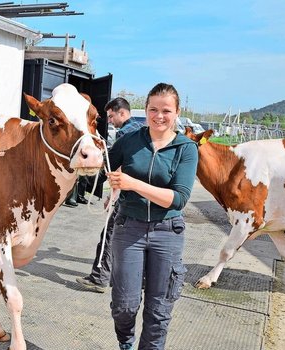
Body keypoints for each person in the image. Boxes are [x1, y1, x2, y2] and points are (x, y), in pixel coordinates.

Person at [106, 83, 198, 350]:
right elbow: (104, 165)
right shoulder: (129, 141)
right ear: (144, 110)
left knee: (159, 310)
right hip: (128, 228)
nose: (159, 116)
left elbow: (178, 198)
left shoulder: (186, 148)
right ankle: (126, 342)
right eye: (153, 109)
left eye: (166, 110)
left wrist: (132, 183)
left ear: (177, 112)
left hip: (167, 231)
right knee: (124, 305)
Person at [76, 97, 141, 292]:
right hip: (141, 194)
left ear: (122, 113)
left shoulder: (125, 134)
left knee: (109, 235)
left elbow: (119, 168)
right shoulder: (141, 131)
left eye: (112, 116)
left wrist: (112, 196)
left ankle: (99, 278)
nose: (110, 121)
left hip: (126, 194)